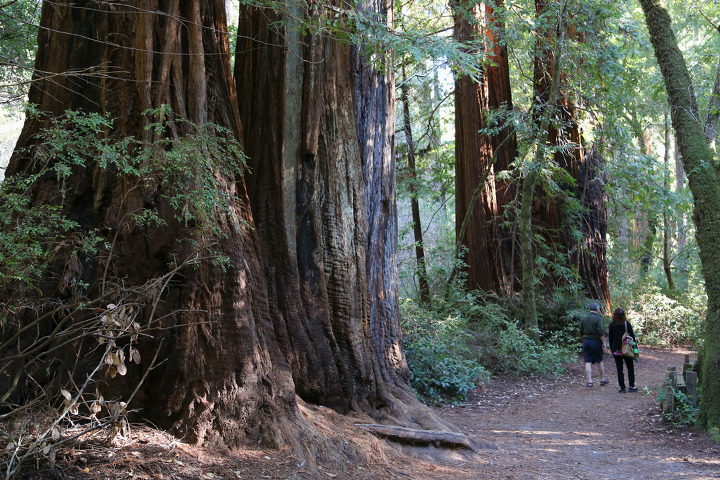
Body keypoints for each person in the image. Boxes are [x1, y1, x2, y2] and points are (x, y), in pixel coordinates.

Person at [579, 302, 609, 387]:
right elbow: (600, 331)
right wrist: (603, 342)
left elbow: (581, 331)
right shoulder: (598, 318)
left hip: (586, 341)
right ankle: (602, 380)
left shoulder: (584, 318)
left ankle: (589, 381)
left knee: (587, 361)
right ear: (597, 309)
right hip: (595, 341)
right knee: (599, 360)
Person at [608, 307, 637, 393]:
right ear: (624, 315)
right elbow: (632, 337)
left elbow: (611, 339)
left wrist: (612, 350)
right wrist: (635, 349)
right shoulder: (627, 324)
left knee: (619, 369)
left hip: (617, 350)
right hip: (627, 349)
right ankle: (631, 386)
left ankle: (622, 388)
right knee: (630, 368)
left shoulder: (612, 325)